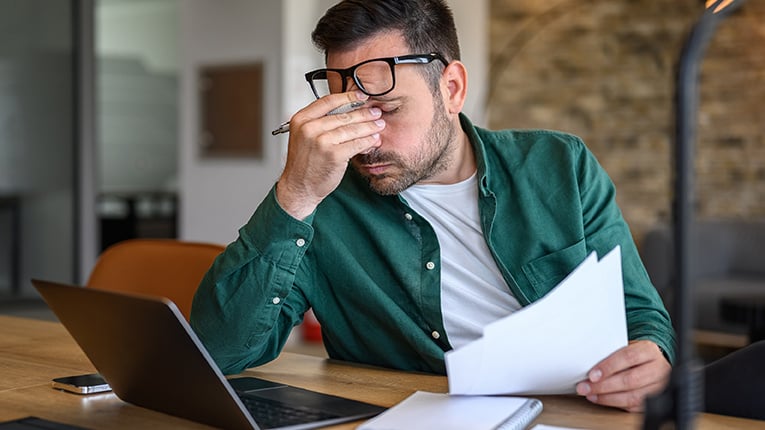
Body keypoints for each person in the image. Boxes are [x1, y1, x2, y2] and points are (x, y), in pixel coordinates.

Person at [190, 0, 675, 413]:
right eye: (349, 112)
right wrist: (295, 195)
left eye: (388, 110)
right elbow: (219, 350)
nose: (365, 139)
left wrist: (652, 356)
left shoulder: (558, 165)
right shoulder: (322, 200)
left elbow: (637, 314)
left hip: (568, 413)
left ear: (452, 89)